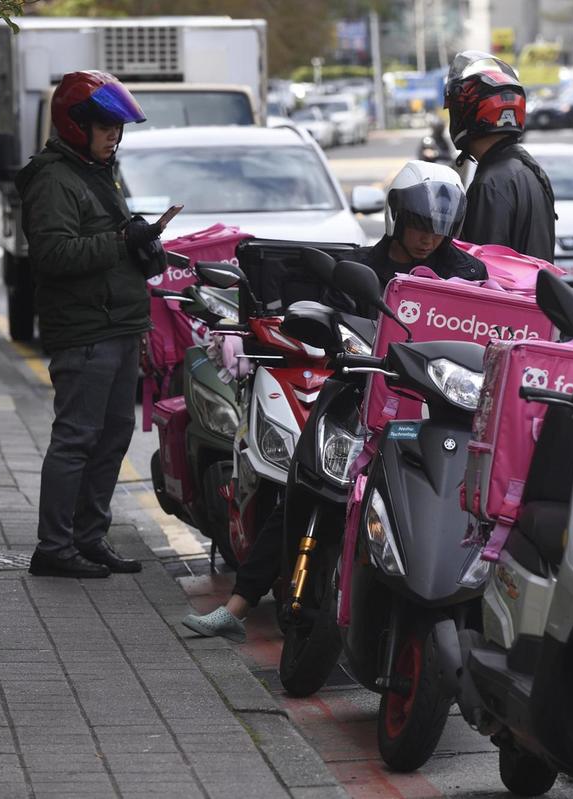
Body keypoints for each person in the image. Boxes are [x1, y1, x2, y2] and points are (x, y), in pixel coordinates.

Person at [181, 161, 485, 642]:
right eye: (421, 226)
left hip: (437, 412)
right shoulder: (364, 269)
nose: (429, 239)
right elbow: (334, 328)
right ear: (397, 217)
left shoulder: (469, 272)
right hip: (364, 405)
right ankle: (238, 605)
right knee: (307, 489)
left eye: (440, 229)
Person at [17, 70, 174, 579]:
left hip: (118, 325)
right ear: (76, 124)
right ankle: (55, 547)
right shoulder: (53, 178)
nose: (115, 136)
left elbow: (109, 242)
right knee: (77, 438)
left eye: (118, 128)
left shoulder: (95, 171)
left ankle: (88, 536)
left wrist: (142, 243)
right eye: (105, 126)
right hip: (85, 331)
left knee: (112, 437)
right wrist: (121, 243)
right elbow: (53, 253)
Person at [443, 50, 556, 262]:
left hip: (512, 295)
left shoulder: (490, 184)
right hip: (534, 294)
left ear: (467, 113)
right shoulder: (529, 169)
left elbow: (484, 270)